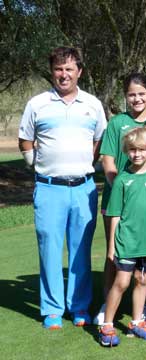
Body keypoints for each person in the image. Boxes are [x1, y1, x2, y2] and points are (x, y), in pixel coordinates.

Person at [18, 46, 107, 329]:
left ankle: (79, 307)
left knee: (81, 251)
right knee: (50, 249)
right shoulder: (37, 103)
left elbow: (99, 140)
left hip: (83, 187)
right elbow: (26, 139)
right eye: (58, 69)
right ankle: (52, 309)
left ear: (79, 71)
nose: (64, 74)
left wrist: (79, 164)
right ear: (52, 72)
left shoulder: (92, 104)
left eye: (69, 69)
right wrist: (38, 165)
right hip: (48, 188)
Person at [98, 126, 146, 346]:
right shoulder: (122, 179)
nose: (136, 154)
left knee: (142, 279)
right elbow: (115, 215)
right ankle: (107, 325)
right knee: (121, 282)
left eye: (141, 149)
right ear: (126, 151)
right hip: (127, 241)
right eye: (131, 150)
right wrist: (111, 246)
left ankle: (137, 321)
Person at [94, 73, 146, 325]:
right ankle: (106, 304)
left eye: (142, 94)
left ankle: (144, 310)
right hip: (117, 201)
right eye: (132, 94)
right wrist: (121, 188)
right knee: (114, 255)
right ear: (125, 97)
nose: (137, 98)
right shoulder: (117, 122)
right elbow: (107, 159)